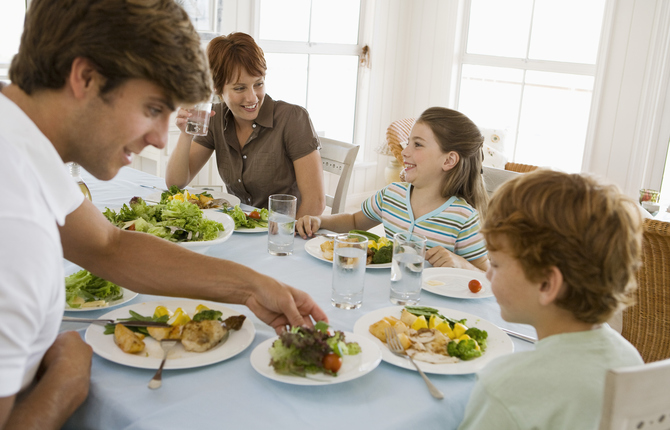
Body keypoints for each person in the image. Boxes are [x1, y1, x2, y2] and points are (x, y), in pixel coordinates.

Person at [0, 1, 327, 428]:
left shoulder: (22, 147)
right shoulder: (15, 219)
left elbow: (110, 246)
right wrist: (69, 377)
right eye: (153, 108)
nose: (158, 138)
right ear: (84, 78)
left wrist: (251, 286)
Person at [458, 169, 644, 429]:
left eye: (497, 265)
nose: (487, 273)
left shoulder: (507, 386)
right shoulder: (629, 359)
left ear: (547, 284)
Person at [296, 107, 489, 271]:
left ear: (448, 160)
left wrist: (462, 264)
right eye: (408, 143)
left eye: (418, 144)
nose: (405, 151)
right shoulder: (391, 195)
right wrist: (320, 220)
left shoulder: (463, 217)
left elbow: (486, 276)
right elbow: (354, 221)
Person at [165, 32, 326, 218]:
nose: (252, 98)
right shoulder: (215, 119)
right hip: (239, 229)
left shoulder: (293, 118)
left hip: (282, 235)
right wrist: (186, 135)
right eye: (239, 88)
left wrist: (284, 239)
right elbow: (175, 183)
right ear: (217, 88)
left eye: (258, 84)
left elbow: (316, 203)